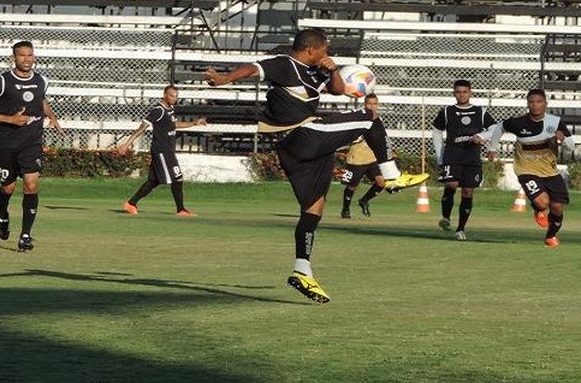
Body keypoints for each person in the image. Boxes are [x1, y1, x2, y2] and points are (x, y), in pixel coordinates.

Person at [204, 28, 428, 303]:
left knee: (314, 207)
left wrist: (333, 70)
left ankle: (302, 270)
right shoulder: (285, 64)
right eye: (324, 49)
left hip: (298, 150)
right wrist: (225, 78)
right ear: (311, 49)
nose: (327, 53)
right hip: (298, 135)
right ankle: (391, 176)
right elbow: (253, 68)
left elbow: (338, 90)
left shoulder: (316, 71)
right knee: (371, 118)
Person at [0, 40, 65, 252]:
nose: (27, 59)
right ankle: (3, 214)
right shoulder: (2, 82)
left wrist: (52, 117)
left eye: (30, 55)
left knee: (31, 185)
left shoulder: (42, 80)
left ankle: (26, 235)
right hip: (6, 142)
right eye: (22, 55)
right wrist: (10, 120)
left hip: (31, 142)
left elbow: (41, 100)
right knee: (8, 187)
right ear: (13, 58)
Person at [477, 88, 574, 247]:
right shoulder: (518, 122)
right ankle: (538, 209)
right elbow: (499, 127)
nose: (535, 105)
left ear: (545, 104)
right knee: (543, 203)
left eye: (539, 102)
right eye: (531, 102)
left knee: (557, 207)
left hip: (550, 171)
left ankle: (550, 236)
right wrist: (492, 148)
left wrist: (563, 139)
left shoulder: (555, 122)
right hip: (526, 170)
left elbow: (571, 147)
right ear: (528, 104)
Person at [116, 85, 207, 217]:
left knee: (154, 181)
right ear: (165, 95)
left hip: (167, 151)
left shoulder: (170, 109)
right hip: (161, 151)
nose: (174, 98)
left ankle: (131, 203)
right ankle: (180, 209)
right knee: (178, 178)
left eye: (176, 96)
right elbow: (142, 128)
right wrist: (127, 144)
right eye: (172, 95)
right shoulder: (158, 110)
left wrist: (194, 123)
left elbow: (174, 125)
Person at [432, 79, 496, 240]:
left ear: (470, 93)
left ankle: (461, 229)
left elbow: (495, 129)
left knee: (467, 192)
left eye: (464, 92)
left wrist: (482, 136)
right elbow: (437, 131)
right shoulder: (447, 111)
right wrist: (440, 156)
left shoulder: (480, 111)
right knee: (451, 185)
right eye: (458, 92)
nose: (461, 95)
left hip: (472, 157)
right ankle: (446, 218)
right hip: (453, 155)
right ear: (454, 93)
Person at [337, 93, 390, 219]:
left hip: (372, 158)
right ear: (364, 104)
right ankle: (345, 209)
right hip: (357, 159)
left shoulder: (378, 119)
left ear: (378, 105)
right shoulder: (359, 118)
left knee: (381, 183)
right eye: (369, 104)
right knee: (351, 186)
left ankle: (364, 200)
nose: (372, 106)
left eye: (374, 104)